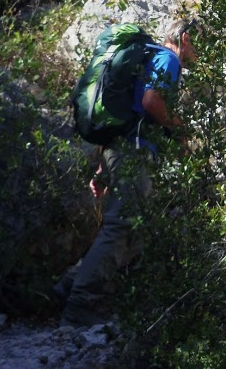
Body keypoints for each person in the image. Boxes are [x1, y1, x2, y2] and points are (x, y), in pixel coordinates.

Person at [56, 19, 198, 328]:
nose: (200, 53)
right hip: (132, 153)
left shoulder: (147, 57)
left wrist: (102, 167)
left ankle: (67, 286)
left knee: (133, 230)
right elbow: (151, 102)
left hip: (117, 149)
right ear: (185, 38)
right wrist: (182, 130)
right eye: (198, 44)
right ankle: (80, 306)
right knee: (121, 228)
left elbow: (127, 113)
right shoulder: (169, 58)